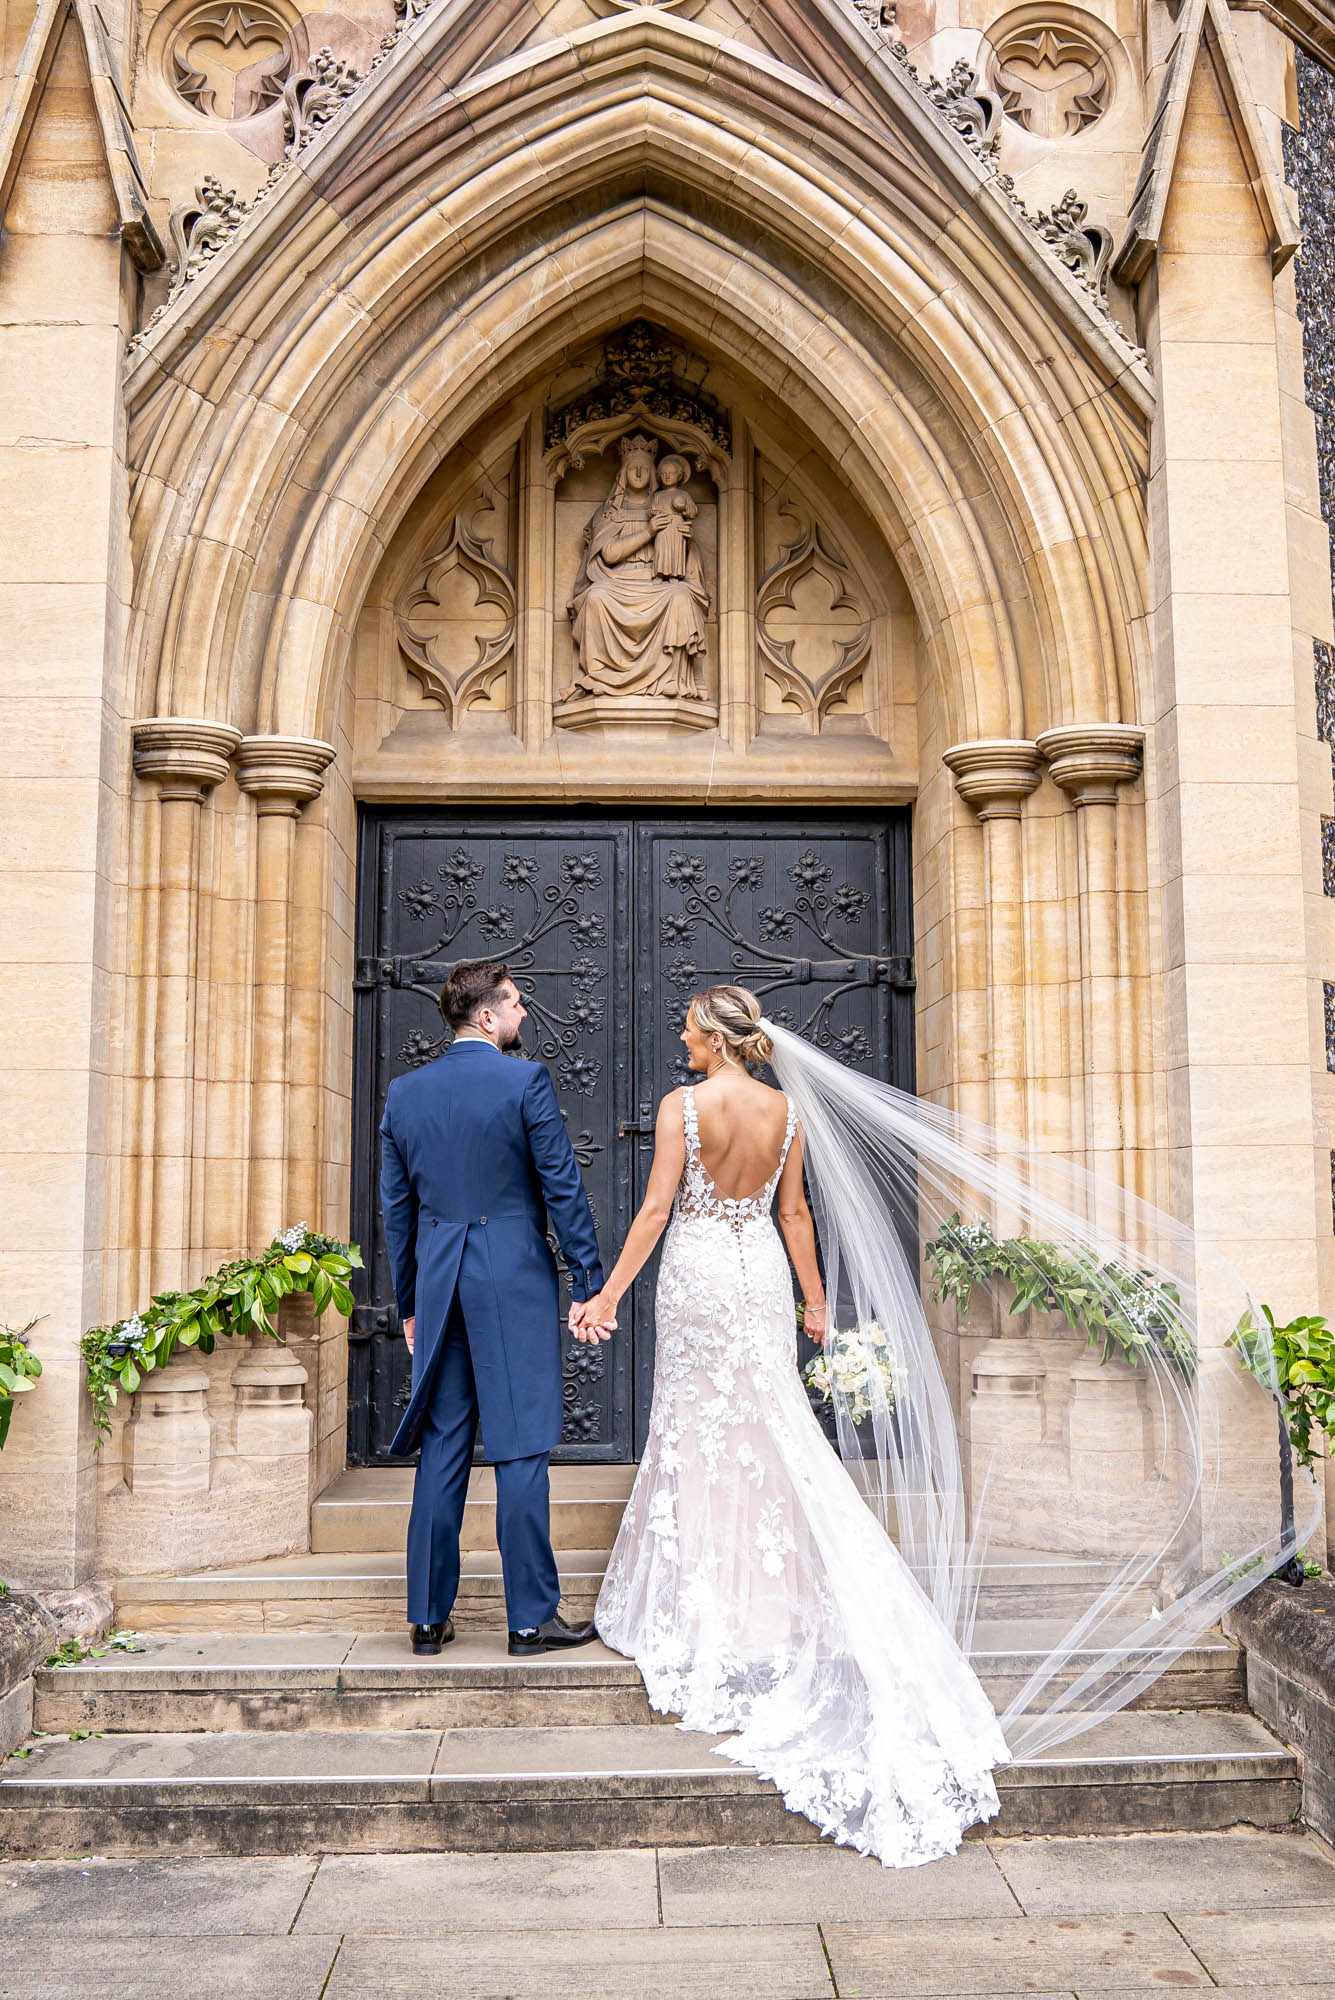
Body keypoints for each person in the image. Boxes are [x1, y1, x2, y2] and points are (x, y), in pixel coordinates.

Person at [570, 983, 1010, 1867]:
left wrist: (605, 1295)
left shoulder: (682, 1106)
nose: (681, 1040)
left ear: (715, 1039)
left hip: (696, 1274)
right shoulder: (784, 1110)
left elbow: (656, 1210)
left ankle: (712, 1599)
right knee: (771, 1431)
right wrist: (815, 1301)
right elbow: (793, 1213)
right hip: (760, 1274)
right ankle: (769, 1596)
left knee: (699, 1432)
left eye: (687, 1029)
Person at [379, 959, 609, 1658]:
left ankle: (426, 1617)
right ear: (487, 1016)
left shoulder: (404, 1092)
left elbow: (397, 1208)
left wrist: (410, 1301)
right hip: (509, 1274)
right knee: (520, 1445)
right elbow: (561, 1187)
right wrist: (589, 1280)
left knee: (443, 1446)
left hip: (441, 1277)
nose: (523, 1015)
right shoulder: (523, 1080)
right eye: (515, 1004)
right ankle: (529, 1619)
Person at [649, 453, 697, 579]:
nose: (667, 475)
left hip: (677, 527)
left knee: (675, 551)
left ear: (679, 476)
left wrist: (684, 508)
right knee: (661, 551)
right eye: (664, 473)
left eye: (671, 473)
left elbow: (693, 511)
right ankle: (659, 574)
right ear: (659, 476)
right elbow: (651, 509)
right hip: (663, 526)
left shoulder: (683, 494)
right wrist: (654, 512)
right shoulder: (658, 495)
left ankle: (673, 576)